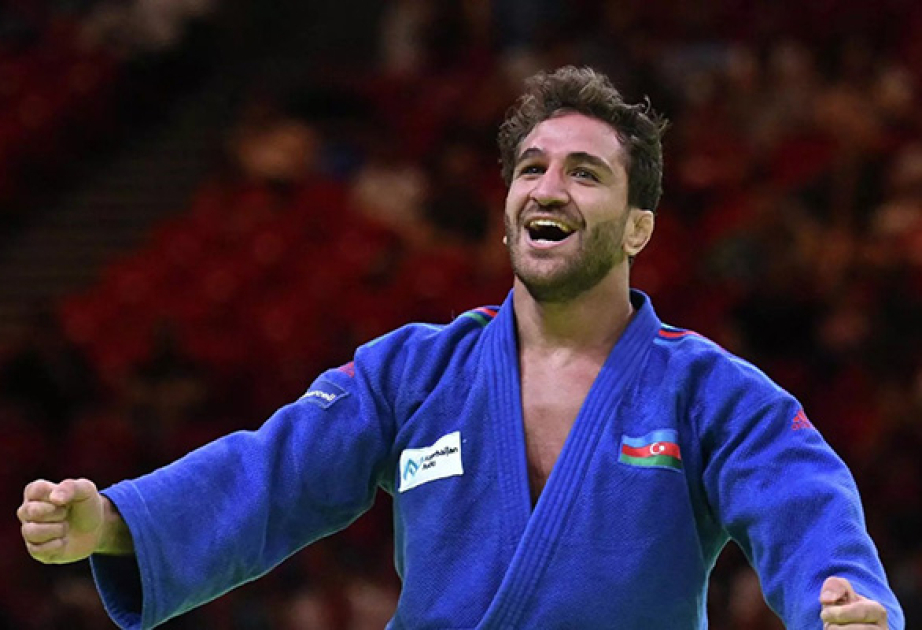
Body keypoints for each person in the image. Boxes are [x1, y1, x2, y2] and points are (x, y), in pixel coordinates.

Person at [18, 66, 903, 629]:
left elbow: (803, 500)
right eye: (531, 167)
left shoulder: (707, 390)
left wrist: (841, 597)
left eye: (585, 172)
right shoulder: (411, 371)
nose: (547, 187)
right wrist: (118, 523)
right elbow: (272, 473)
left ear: (638, 226)